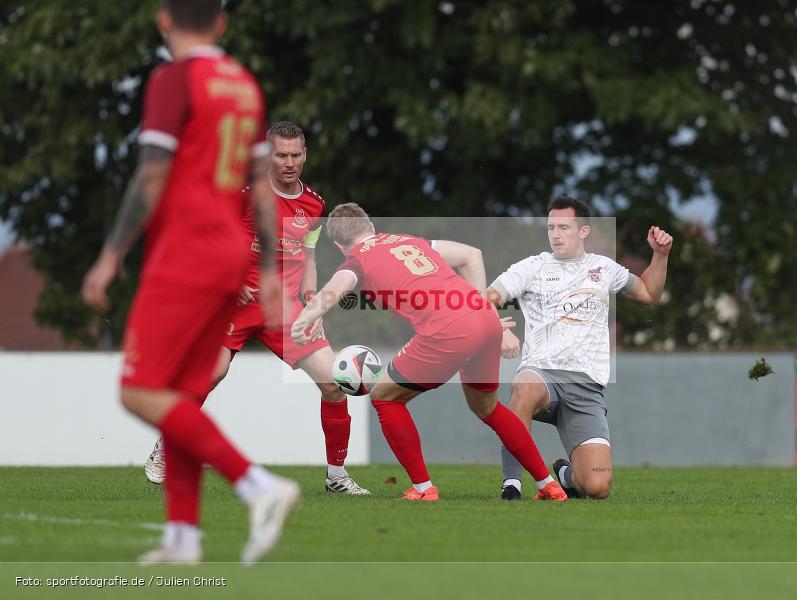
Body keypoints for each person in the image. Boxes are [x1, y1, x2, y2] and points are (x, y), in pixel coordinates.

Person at [81, 0, 298, 564]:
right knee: (179, 394)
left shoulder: (174, 79)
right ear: (221, 24)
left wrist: (110, 255)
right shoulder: (245, 85)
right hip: (232, 255)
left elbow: (151, 174)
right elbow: (261, 184)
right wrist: (271, 270)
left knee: (137, 390)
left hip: (186, 254)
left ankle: (257, 485)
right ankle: (183, 537)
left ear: (164, 20)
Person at [143, 121, 370, 496]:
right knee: (210, 374)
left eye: (296, 155)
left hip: (287, 309)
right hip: (238, 302)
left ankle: (337, 477)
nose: (289, 162)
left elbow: (309, 253)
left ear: (305, 155)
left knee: (333, 385)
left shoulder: (314, 203)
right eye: (281, 155)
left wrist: (311, 291)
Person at [290, 203, 568, 501]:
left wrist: (306, 316)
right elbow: (471, 255)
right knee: (487, 407)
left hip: (447, 329)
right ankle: (547, 485)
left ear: (338, 244)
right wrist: (481, 310)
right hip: (485, 320)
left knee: (384, 397)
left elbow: (338, 285)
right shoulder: (410, 241)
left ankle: (424, 489)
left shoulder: (357, 259)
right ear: (370, 227)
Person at [487, 196, 673, 500]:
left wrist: (661, 255)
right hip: (542, 375)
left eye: (564, 227)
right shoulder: (532, 267)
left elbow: (649, 293)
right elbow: (488, 297)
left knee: (597, 486)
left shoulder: (603, 268)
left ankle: (565, 476)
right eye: (551, 227)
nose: (556, 234)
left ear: (584, 231)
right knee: (523, 387)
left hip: (585, 389)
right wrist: (498, 329)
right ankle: (512, 485)